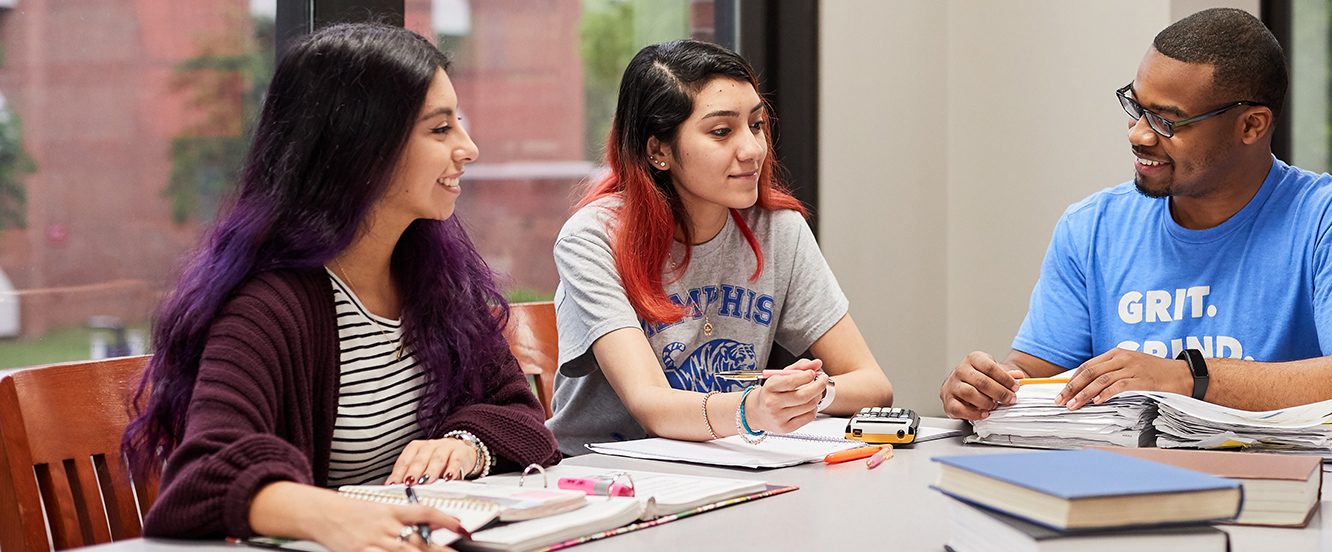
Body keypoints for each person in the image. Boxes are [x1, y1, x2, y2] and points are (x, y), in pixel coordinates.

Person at [122, 23, 560, 550]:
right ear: (364, 147)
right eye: (440, 129)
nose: (468, 148)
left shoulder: (436, 282)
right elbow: (201, 478)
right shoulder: (268, 306)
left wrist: (465, 446)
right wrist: (331, 515)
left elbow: (522, 417)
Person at [939, 8, 1332, 420]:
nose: (1139, 135)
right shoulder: (1092, 228)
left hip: (1278, 487)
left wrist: (1187, 378)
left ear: (1252, 125)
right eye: (1136, 107)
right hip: (1118, 486)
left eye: (1166, 120)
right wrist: (988, 387)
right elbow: (1035, 374)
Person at [547, 40, 893, 455]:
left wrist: (810, 393)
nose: (752, 150)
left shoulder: (779, 230)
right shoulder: (593, 238)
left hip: (724, 461)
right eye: (721, 131)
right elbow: (651, 405)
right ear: (658, 150)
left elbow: (873, 384)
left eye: (757, 125)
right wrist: (753, 411)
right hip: (600, 473)